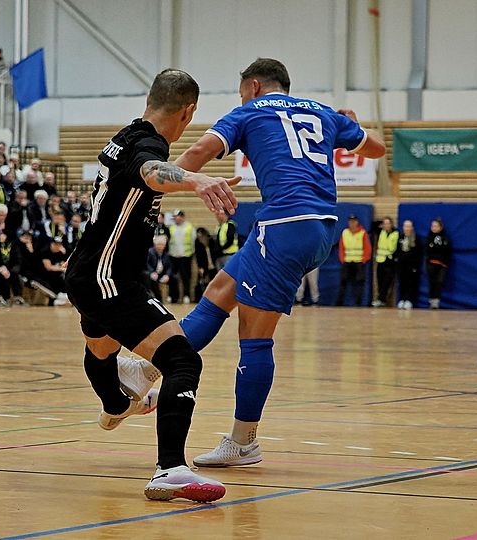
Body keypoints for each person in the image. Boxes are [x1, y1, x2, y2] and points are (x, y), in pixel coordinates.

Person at [169, 58, 385, 467]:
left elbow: (198, 152)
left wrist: (152, 187)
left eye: (241, 92)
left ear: (253, 86)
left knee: (253, 336)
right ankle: (146, 371)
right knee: (218, 292)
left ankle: (243, 441)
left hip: (285, 225)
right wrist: (354, 124)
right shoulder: (323, 112)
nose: (241, 98)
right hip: (319, 226)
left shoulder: (249, 111)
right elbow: (376, 148)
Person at [64, 69, 240, 502]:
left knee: (102, 351)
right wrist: (197, 180)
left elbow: (146, 177)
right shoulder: (149, 146)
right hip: (108, 279)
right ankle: (170, 469)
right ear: (188, 112)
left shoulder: (126, 135)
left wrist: (189, 177)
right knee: (183, 361)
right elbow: (151, 171)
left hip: (87, 273)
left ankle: (116, 402)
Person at [335, 214, 371, 307]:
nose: (352, 223)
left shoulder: (362, 233)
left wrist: (364, 260)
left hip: (359, 262)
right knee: (343, 282)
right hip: (347, 262)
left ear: (357, 222)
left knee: (359, 283)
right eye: (350, 221)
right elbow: (341, 247)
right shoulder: (345, 232)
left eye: (354, 221)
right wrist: (342, 259)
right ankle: (339, 303)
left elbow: (367, 248)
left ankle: (358, 303)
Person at [166, 209, 194, 304]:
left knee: (185, 277)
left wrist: (191, 254)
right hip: (173, 255)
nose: (176, 219)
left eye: (177, 216)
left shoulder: (189, 227)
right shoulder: (171, 228)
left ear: (182, 217)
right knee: (173, 277)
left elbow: (193, 241)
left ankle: (186, 295)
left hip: (185, 256)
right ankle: (173, 296)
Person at [372, 217, 399, 307]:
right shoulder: (380, 231)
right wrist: (380, 221)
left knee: (387, 282)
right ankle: (381, 300)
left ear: (391, 224)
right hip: (380, 260)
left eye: (388, 223)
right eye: (384, 224)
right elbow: (373, 226)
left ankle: (381, 299)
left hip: (390, 261)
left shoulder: (396, 233)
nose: (386, 225)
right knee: (380, 280)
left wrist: (394, 258)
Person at [425, 218, 451, 309]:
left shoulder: (445, 238)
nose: (434, 228)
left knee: (439, 282)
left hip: (442, 264)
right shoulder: (429, 238)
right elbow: (428, 250)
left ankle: (436, 300)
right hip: (431, 263)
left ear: (440, 227)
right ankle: (431, 299)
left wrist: (444, 261)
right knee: (431, 282)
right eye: (432, 226)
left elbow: (446, 250)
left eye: (436, 226)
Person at [396, 219, 421, 310]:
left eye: (408, 226)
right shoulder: (400, 237)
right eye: (405, 226)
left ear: (412, 228)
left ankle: (409, 300)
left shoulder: (416, 239)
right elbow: (398, 250)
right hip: (401, 265)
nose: (406, 228)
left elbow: (418, 253)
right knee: (402, 283)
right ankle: (401, 299)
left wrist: (415, 266)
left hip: (411, 266)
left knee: (410, 283)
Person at [145, 235, 175, 302]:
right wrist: (152, 272)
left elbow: (169, 267)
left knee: (174, 278)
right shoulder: (150, 252)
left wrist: (167, 275)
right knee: (147, 276)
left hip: (162, 273)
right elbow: (147, 264)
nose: (160, 246)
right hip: (153, 273)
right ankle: (153, 296)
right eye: (158, 244)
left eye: (162, 245)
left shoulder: (166, 254)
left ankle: (172, 298)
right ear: (155, 245)